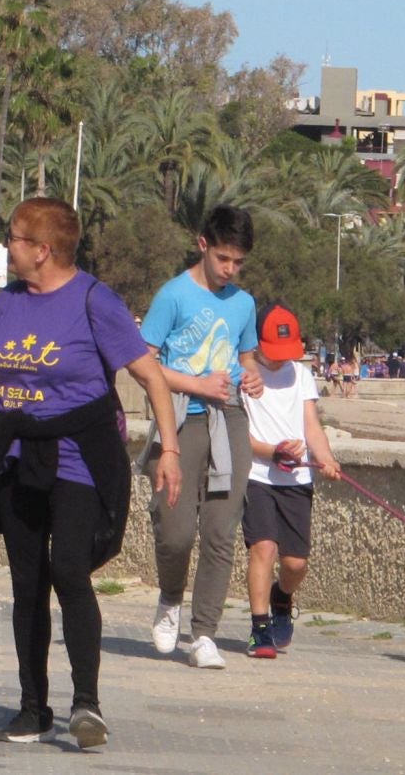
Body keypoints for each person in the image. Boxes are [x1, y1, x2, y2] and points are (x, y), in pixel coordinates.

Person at [0, 198, 183, 749]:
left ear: (42, 251)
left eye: (15, 238)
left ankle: (87, 704)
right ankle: (32, 708)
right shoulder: (7, 302)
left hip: (78, 455)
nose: (8, 246)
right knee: (27, 581)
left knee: (69, 569)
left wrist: (169, 450)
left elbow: (151, 377)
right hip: (17, 455)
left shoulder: (96, 301)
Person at [140, 204, 262, 671]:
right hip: (181, 420)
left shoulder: (244, 303)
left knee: (220, 531)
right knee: (175, 532)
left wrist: (252, 378)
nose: (230, 270)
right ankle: (170, 597)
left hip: (229, 420)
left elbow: (247, 358)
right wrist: (196, 385)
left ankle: (204, 633)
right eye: (224, 259)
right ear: (203, 245)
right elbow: (143, 363)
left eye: (239, 263)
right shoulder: (172, 296)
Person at [241, 303, 339, 660]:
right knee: (263, 548)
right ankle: (259, 629)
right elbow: (240, 437)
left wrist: (325, 458)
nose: (282, 360)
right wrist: (271, 452)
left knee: (296, 563)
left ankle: (282, 598)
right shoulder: (243, 374)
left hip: (297, 478)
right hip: (258, 475)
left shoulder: (301, 375)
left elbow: (311, 425)